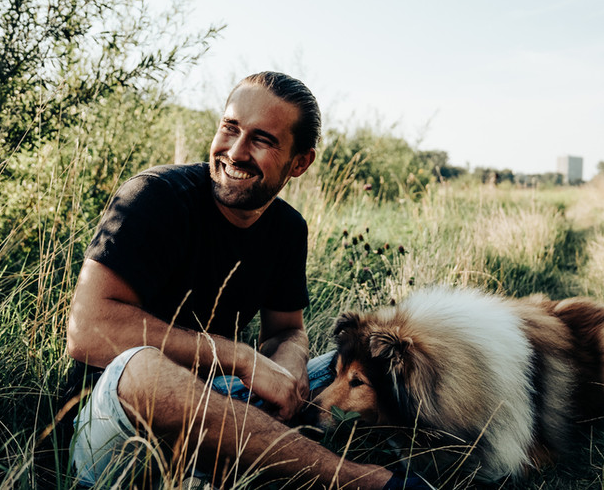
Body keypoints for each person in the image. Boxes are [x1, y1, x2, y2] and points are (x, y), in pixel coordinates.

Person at [64, 72, 427, 489]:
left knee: (363, 363)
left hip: (224, 406)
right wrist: (243, 358)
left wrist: (288, 367)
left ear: (300, 163)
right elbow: (87, 331)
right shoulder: (154, 197)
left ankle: (449, 460)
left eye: (262, 140)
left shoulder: (288, 230)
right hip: (120, 425)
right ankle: (370, 482)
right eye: (230, 128)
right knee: (142, 366)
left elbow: (288, 330)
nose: (235, 152)